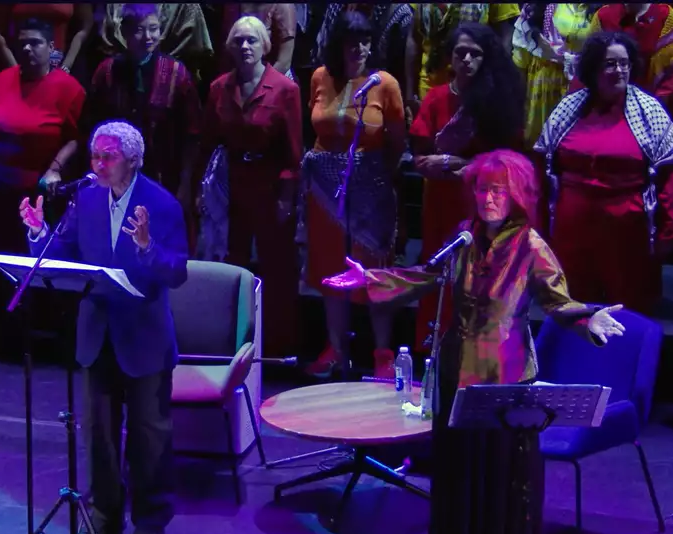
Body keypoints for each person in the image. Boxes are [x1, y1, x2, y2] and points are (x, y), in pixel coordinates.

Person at [323, 149, 625, 534]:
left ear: (516, 196)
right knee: (461, 472)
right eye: (482, 189)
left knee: (501, 475)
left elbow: (558, 302)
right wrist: (371, 279)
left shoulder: (530, 246)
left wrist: (589, 319)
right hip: (456, 371)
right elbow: (426, 275)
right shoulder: (463, 237)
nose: (487, 198)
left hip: (505, 374)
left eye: (497, 191)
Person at [19, 120, 188, 534]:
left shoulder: (161, 204)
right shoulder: (86, 199)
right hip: (97, 334)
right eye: (95, 155)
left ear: (132, 160)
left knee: (149, 434)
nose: (98, 163)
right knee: (99, 433)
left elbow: (177, 272)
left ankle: (150, 521)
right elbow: (60, 257)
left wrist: (149, 247)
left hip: (143, 336)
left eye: (107, 156)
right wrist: (39, 232)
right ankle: (104, 514)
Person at [535, 30, 673, 316]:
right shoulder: (570, 107)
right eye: (610, 64)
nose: (620, 70)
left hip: (627, 233)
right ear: (593, 69)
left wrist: (667, 231)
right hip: (574, 230)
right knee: (575, 310)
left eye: (625, 63)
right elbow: (545, 167)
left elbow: (669, 174)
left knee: (628, 311)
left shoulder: (648, 110)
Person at [303, 11, 407, 380]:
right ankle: (335, 349)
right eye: (352, 42)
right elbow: (312, 126)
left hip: (371, 191)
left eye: (365, 42)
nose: (359, 49)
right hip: (325, 193)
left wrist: (373, 179)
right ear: (338, 44)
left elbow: (397, 141)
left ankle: (382, 353)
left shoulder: (385, 83)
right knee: (331, 271)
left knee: (374, 273)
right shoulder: (319, 77)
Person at [410, 21, 524, 353]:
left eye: (476, 54)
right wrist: (446, 164)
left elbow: (507, 162)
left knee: (480, 276)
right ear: (450, 58)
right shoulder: (435, 98)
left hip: (481, 208)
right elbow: (420, 159)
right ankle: (433, 348)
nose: (468, 61)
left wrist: (453, 164)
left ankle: (478, 352)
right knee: (440, 273)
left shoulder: (497, 102)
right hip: (440, 205)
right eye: (462, 53)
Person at [198, 15, 304, 358]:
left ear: (265, 46)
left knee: (277, 267)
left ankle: (276, 345)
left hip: (271, 188)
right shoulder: (218, 88)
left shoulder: (285, 89)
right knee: (233, 265)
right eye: (239, 40)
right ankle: (235, 341)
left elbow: (293, 152)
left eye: (252, 40)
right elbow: (207, 143)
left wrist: (287, 198)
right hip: (232, 187)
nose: (245, 46)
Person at [0, 17, 86, 255]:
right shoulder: (0, 80)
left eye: (35, 43)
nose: (27, 48)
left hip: (37, 193)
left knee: (31, 257)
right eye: (22, 44)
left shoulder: (68, 88)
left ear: (51, 47)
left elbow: (75, 138)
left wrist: (55, 168)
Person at [89, 4, 202, 253]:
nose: (149, 37)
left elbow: (192, 134)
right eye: (140, 30)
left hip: (163, 174)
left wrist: (185, 183)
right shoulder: (107, 72)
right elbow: (92, 125)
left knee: (161, 243)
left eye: (154, 29)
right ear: (125, 32)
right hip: (117, 177)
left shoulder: (176, 73)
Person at [588, 3, 673, 135]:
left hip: (654, 114)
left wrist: (648, 110)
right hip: (608, 111)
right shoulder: (604, 16)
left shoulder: (665, 15)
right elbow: (589, 69)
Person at [404, 4, 520, 123]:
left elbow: (505, 38)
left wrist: (498, 86)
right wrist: (409, 93)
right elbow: (414, 39)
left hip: (475, 89)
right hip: (429, 88)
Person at [513, 3, 600, 146]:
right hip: (543, 85)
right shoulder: (537, 8)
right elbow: (520, 59)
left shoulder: (601, 10)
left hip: (583, 82)